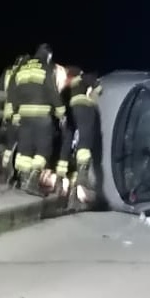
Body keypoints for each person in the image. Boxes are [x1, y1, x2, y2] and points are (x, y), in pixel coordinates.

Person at [12, 43, 62, 195]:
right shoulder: (46, 67)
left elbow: (13, 91)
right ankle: (33, 181)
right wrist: (61, 112)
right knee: (43, 149)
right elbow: (51, 91)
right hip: (41, 115)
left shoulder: (23, 67)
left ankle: (23, 180)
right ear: (48, 55)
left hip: (24, 114)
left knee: (25, 150)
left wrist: (15, 113)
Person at [56, 68, 103, 206]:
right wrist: (94, 93)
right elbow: (98, 89)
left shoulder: (69, 84)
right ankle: (82, 177)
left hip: (71, 110)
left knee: (68, 141)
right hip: (85, 108)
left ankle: (61, 176)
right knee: (85, 140)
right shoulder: (85, 77)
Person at [0, 54, 28, 186]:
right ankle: (19, 177)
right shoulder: (24, 74)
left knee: (9, 148)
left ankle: (6, 174)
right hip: (20, 115)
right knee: (22, 149)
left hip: (7, 115)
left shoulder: (8, 72)